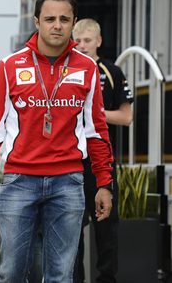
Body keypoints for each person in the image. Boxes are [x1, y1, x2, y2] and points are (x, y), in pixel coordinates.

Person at [0, 0, 115, 282]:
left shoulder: (87, 68)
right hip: (19, 181)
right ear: (37, 22)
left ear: (73, 23)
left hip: (68, 183)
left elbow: (96, 130)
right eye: (50, 19)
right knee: (11, 273)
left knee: (60, 275)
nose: (57, 25)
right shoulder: (10, 67)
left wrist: (104, 182)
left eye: (64, 19)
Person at [72, 18, 133, 283]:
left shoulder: (112, 71)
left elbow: (126, 116)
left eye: (88, 40)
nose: (83, 46)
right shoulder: (66, 70)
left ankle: (106, 279)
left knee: (106, 226)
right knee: (72, 226)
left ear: (98, 41)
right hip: (71, 161)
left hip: (102, 161)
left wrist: (95, 114)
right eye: (79, 41)